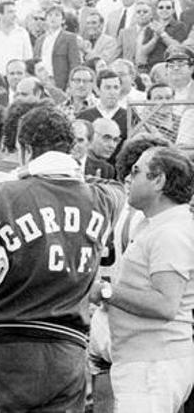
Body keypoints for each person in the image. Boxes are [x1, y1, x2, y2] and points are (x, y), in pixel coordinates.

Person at [0, 105, 124, 413]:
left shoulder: (4, 195)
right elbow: (116, 189)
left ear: (25, 149)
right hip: (67, 350)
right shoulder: (101, 199)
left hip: (4, 345)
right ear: (71, 147)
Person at [92, 146, 194, 413]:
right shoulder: (157, 226)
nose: (128, 178)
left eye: (136, 171)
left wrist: (105, 292)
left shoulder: (171, 232)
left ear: (158, 180)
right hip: (144, 362)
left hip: (153, 366)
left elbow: (165, 305)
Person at [33, 5, 82, 91]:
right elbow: (34, 62)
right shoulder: (40, 40)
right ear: (46, 19)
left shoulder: (69, 38)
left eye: (57, 15)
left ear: (63, 20)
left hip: (59, 82)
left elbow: (75, 63)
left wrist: (70, 85)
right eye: (50, 15)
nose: (53, 18)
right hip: (41, 81)